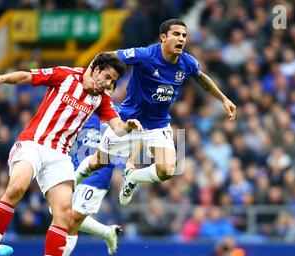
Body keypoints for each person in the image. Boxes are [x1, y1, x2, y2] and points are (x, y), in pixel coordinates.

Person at [0, 53, 143, 256]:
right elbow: (28, 76)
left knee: (64, 214)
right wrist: (2, 78)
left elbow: (117, 127)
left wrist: (128, 127)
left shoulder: (101, 100)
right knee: (17, 188)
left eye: (112, 82)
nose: (108, 85)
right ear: (95, 68)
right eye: (107, 78)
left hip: (60, 155)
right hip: (34, 143)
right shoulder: (66, 75)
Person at [75, 18, 237, 206]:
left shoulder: (187, 62)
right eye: (176, 34)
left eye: (184, 35)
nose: (181, 39)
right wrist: (88, 75)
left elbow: (201, 78)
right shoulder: (144, 55)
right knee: (97, 163)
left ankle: (133, 178)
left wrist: (224, 99)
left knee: (167, 170)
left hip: (157, 125)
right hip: (128, 122)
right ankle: (72, 182)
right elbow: (107, 56)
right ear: (163, 37)